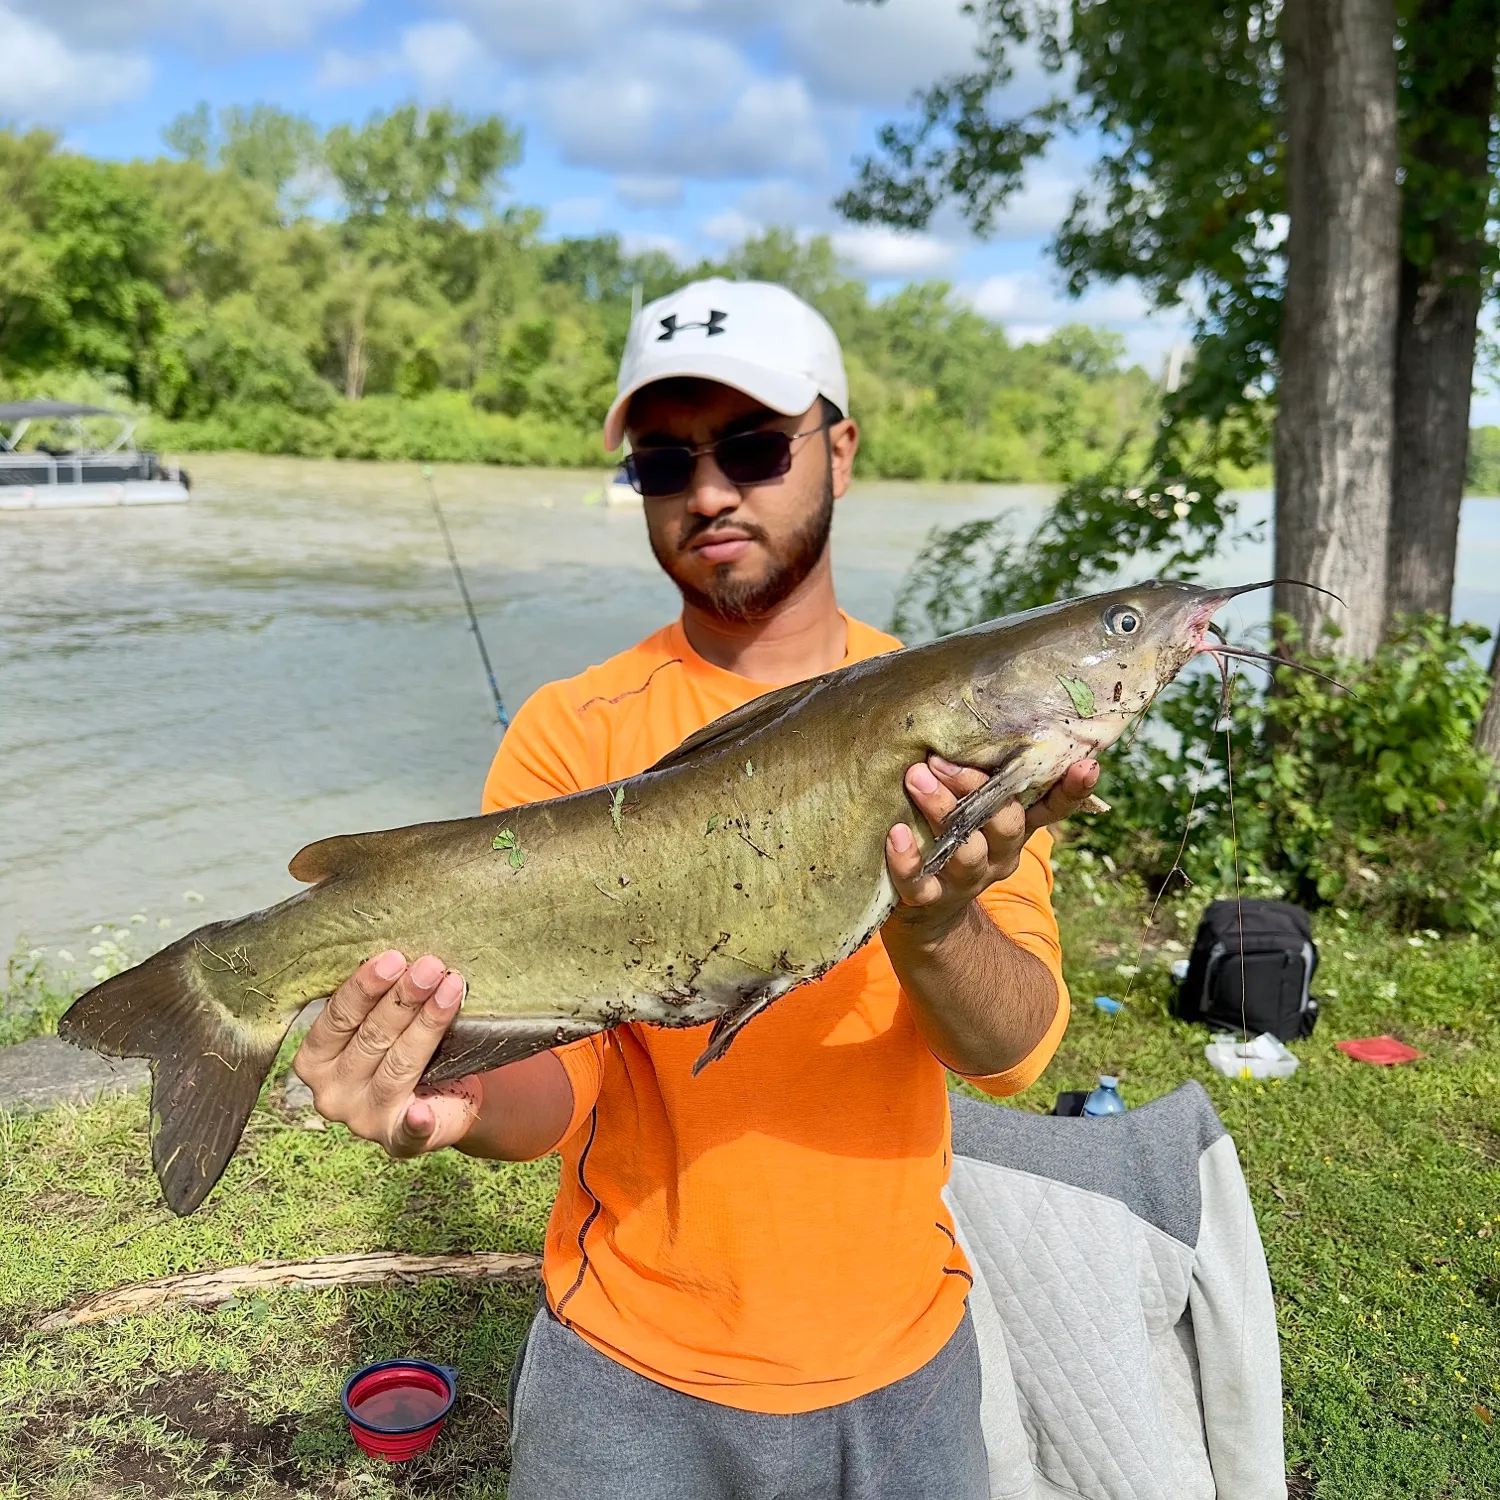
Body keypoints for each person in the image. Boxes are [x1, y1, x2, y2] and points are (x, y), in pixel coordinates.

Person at [293, 278, 1100, 1498]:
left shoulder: (962, 720)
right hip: (621, 1367)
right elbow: (565, 1069)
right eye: (665, 463)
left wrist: (936, 927)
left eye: (754, 447)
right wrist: (450, 1104)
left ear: (839, 448)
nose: (710, 491)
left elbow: (1016, 1051)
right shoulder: (572, 734)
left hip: (902, 1365)